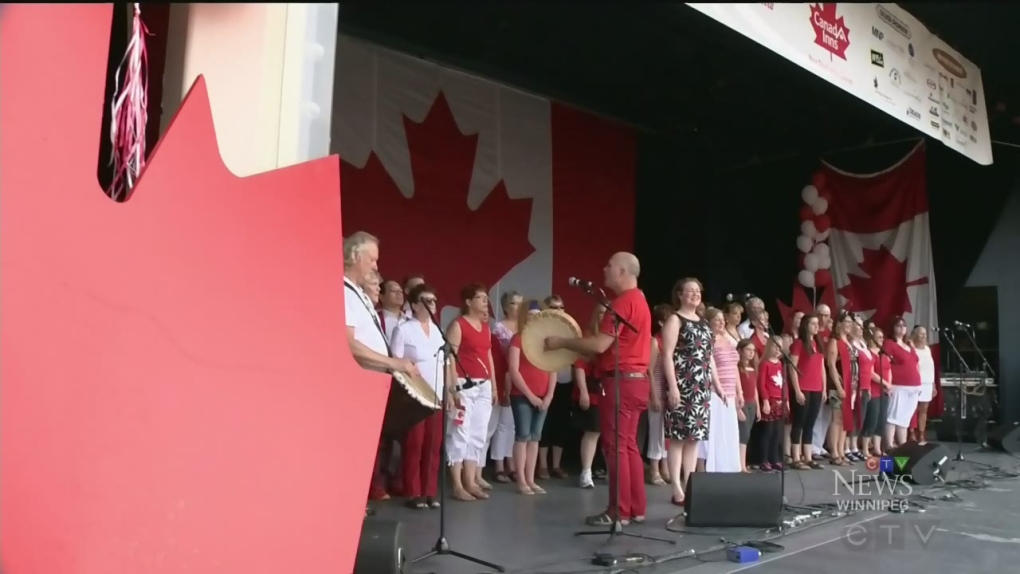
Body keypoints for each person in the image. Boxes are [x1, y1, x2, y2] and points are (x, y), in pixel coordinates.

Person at [544, 252, 651, 526]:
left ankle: (619, 512)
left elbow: (600, 345)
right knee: (628, 447)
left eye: (610, 265)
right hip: (636, 381)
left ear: (623, 272)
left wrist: (562, 342)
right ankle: (635, 508)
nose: (604, 268)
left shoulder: (622, 303)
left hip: (620, 382)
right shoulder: (640, 300)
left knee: (616, 447)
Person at [342, 232, 418, 513]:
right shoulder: (343, 292)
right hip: (356, 386)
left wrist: (394, 362)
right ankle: (350, 507)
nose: (376, 266)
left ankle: (356, 504)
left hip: (372, 385)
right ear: (355, 256)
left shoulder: (357, 294)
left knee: (367, 451)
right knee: (354, 450)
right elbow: (347, 343)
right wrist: (393, 363)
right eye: (372, 259)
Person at [661, 278, 725, 505]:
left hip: (701, 388)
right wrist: (673, 386)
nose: (695, 294)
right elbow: (667, 355)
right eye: (690, 291)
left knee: (693, 440)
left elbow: (709, 358)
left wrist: (717, 385)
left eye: (698, 291)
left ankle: (689, 484)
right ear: (679, 294)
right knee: (678, 439)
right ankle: (676, 486)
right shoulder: (675, 320)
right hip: (682, 385)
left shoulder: (704, 323)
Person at [391, 284, 445, 509]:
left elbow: (446, 363)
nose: (431, 304)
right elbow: (395, 361)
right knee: (415, 444)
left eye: (433, 300)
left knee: (433, 445)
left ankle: (429, 490)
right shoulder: (403, 329)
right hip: (415, 395)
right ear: (414, 304)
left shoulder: (437, 330)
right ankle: (413, 491)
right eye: (425, 300)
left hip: (437, 393)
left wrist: (450, 392)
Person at [445, 282, 497, 501]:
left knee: (478, 434)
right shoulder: (458, 325)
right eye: (480, 297)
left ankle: (470, 481)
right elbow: (450, 358)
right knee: (460, 433)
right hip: (464, 385)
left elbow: (489, 357)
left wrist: (493, 385)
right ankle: (457, 484)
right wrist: (451, 388)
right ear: (468, 302)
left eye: (486, 297)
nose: (485, 301)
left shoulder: (485, 327)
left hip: (483, 385)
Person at [508, 300, 557, 495]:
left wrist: (549, 395)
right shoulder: (518, 338)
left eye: (537, 315)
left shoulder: (547, 341)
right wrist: (529, 395)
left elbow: (553, 367)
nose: (534, 319)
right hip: (522, 394)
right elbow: (514, 369)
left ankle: (530, 478)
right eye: (530, 315)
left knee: (535, 438)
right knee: (523, 436)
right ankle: (521, 480)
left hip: (543, 394)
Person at [697, 307, 742, 473]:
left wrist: (739, 392)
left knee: (728, 431)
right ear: (709, 322)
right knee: (713, 432)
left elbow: (735, 366)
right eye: (717, 320)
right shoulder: (708, 339)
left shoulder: (727, 339)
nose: (722, 322)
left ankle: (727, 467)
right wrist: (717, 387)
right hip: (715, 392)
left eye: (723, 319)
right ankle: (707, 468)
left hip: (730, 392)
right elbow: (707, 366)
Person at [488, 290, 522, 483]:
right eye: (515, 304)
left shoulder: (525, 327)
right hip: (504, 376)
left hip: (520, 379)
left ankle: (512, 463)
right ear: (506, 307)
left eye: (520, 303)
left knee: (514, 425)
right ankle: (499, 465)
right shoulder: (499, 328)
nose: (518, 307)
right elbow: (499, 356)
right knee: (502, 424)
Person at [538, 294, 573, 479]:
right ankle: (542, 465)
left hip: (566, 380)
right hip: (545, 381)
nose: (559, 311)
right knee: (545, 422)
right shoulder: (540, 330)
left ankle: (556, 465)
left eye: (561, 307)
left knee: (561, 423)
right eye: (554, 307)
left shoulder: (570, 330)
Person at [574, 306, 607, 489]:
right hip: (592, 390)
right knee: (592, 431)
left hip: (610, 390)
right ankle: (586, 472)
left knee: (611, 433)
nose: (604, 316)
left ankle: (611, 471)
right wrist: (584, 391)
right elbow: (579, 366)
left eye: (607, 313)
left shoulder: (614, 337)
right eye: (601, 312)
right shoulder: (589, 337)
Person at [788, 314, 825, 470]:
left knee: (810, 423)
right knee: (799, 423)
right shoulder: (799, 343)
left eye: (817, 324)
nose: (817, 326)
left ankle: (808, 456)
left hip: (816, 388)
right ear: (806, 326)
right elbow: (792, 367)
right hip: (803, 387)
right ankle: (796, 457)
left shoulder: (818, 343)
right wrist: (797, 390)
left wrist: (823, 387)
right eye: (813, 324)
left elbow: (822, 366)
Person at [825, 310, 860, 466]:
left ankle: (841, 450)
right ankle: (834, 453)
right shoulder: (835, 341)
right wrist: (839, 386)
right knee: (837, 418)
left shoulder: (849, 342)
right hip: (838, 384)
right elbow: (831, 364)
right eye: (845, 322)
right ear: (838, 324)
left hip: (850, 384)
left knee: (845, 419)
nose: (849, 325)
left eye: (850, 323)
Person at [883, 317, 922, 448]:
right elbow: (885, 363)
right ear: (893, 328)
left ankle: (902, 444)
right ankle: (889, 444)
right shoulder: (889, 343)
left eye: (904, 326)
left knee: (905, 418)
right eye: (898, 326)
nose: (901, 328)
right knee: (893, 415)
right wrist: (887, 383)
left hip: (914, 387)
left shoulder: (908, 346)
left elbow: (916, 364)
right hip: (898, 385)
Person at [646, 304, 674, 485]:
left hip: (669, 392)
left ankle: (665, 467)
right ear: (661, 322)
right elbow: (648, 369)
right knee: (656, 432)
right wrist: (654, 395)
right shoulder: (655, 341)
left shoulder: (671, 342)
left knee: (667, 433)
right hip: (656, 390)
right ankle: (654, 470)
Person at [756, 337, 787, 471]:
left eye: (779, 347)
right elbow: (761, 384)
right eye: (774, 347)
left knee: (777, 432)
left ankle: (775, 459)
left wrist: (787, 401)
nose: (777, 350)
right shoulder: (765, 364)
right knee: (767, 431)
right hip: (770, 400)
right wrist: (765, 401)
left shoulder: (780, 364)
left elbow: (784, 384)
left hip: (780, 400)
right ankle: (764, 460)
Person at [866, 327, 893, 455]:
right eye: (879, 337)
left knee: (882, 419)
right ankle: (866, 447)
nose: (882, 340)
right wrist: (885, 383)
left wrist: (889, 385)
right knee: (872, 419)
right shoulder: (869, 353)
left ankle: (877, 448)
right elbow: (870, 373)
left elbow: (889, 370)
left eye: (883, 337)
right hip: (874, 389)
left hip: (884, 390)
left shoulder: (884, 354)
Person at [911, 326, 937, 444]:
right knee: (912, 409)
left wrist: (933, 385)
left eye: (925, 334)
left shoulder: (927, 349)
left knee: (924, 409)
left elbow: (931, 367)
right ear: (915, 334)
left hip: (927, 382)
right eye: (921, 334)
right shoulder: (912, 348)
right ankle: (911, 432)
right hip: (916, 382)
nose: (923, 336)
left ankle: (921, 434)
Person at [736, 339, 759, 472]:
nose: (751, 353)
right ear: (740, 351)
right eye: (748, 350)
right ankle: (741, 465)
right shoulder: (738, 369)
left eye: (753, 350)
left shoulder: (752, 368)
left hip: (751, 403)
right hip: (742, 403)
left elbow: (754, 388)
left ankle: (743, 462)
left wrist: (758, 406)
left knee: (747, 434)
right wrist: (738, 409)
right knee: (743, 434)